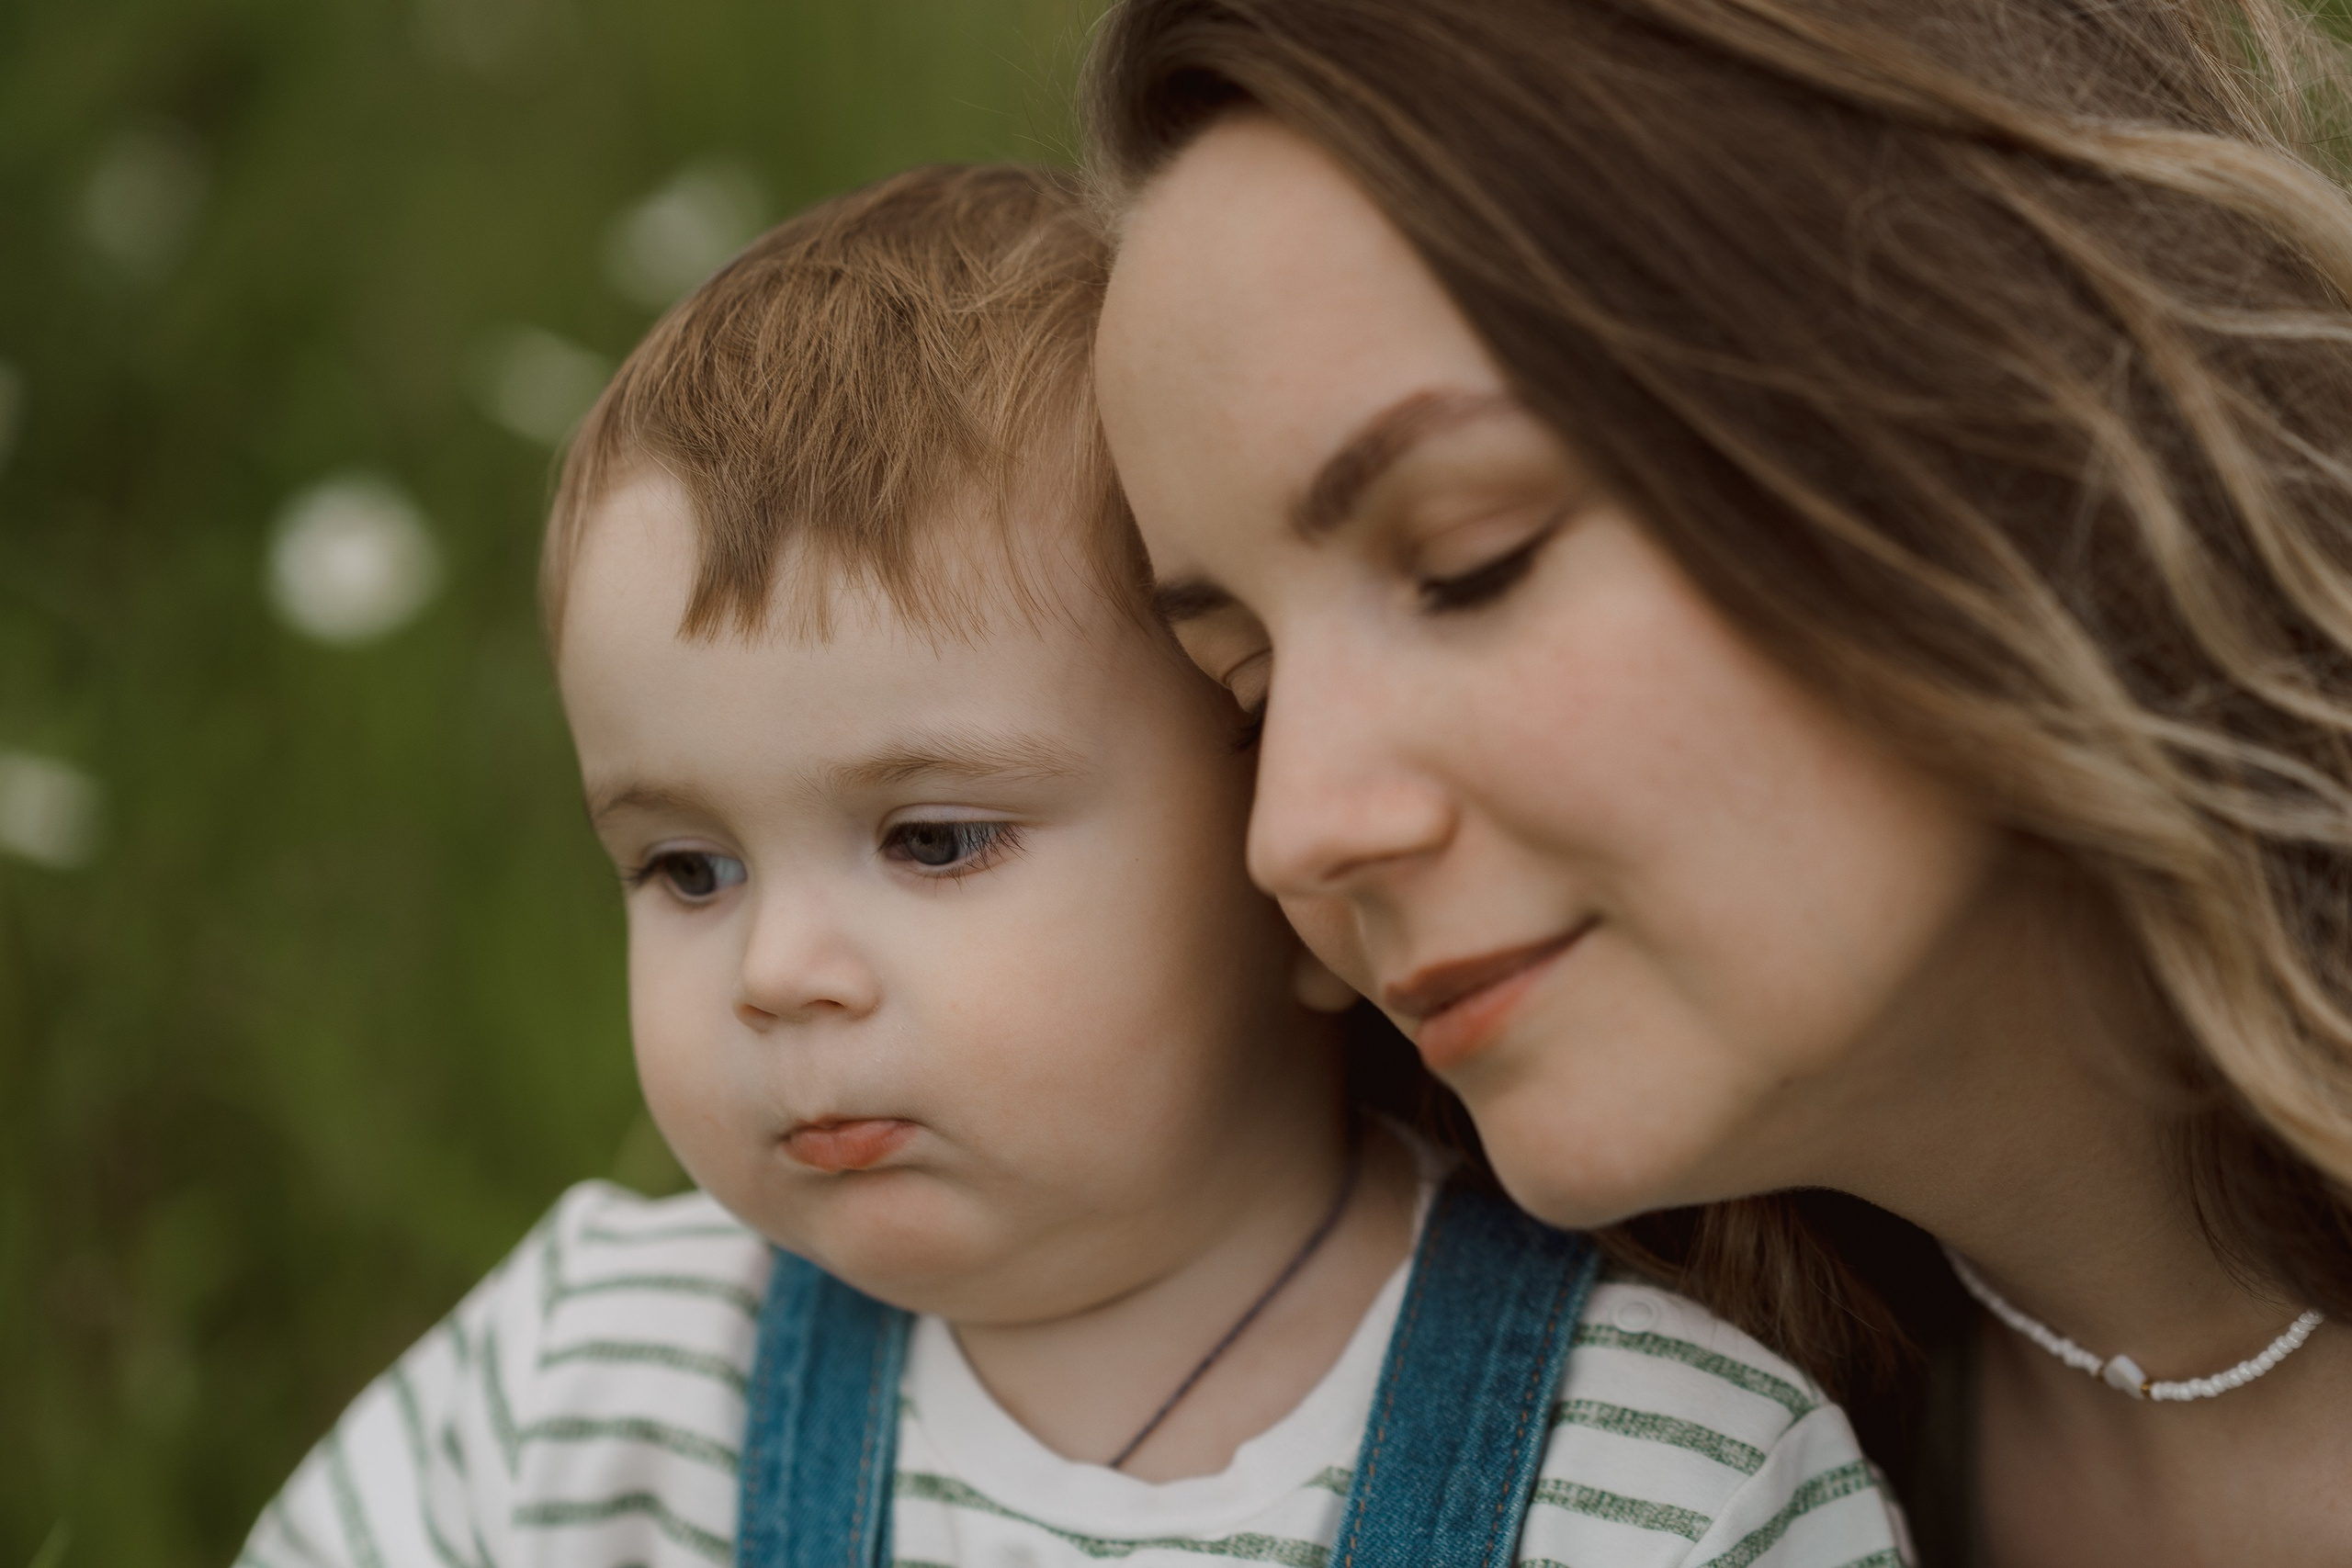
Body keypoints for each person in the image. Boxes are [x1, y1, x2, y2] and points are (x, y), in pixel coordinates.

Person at [235, 164, 1908, 1568]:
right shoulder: (591, 1383)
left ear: (1287, 856)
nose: (776, 971)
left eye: (937, 838)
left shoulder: (1657, 1481)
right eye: (686, 868)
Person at [1086, 1, 2352, 1564]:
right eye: (1250, 694)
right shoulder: (1617, 1471)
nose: (1299, 833)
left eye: (1474, 562)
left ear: (2001, 407)